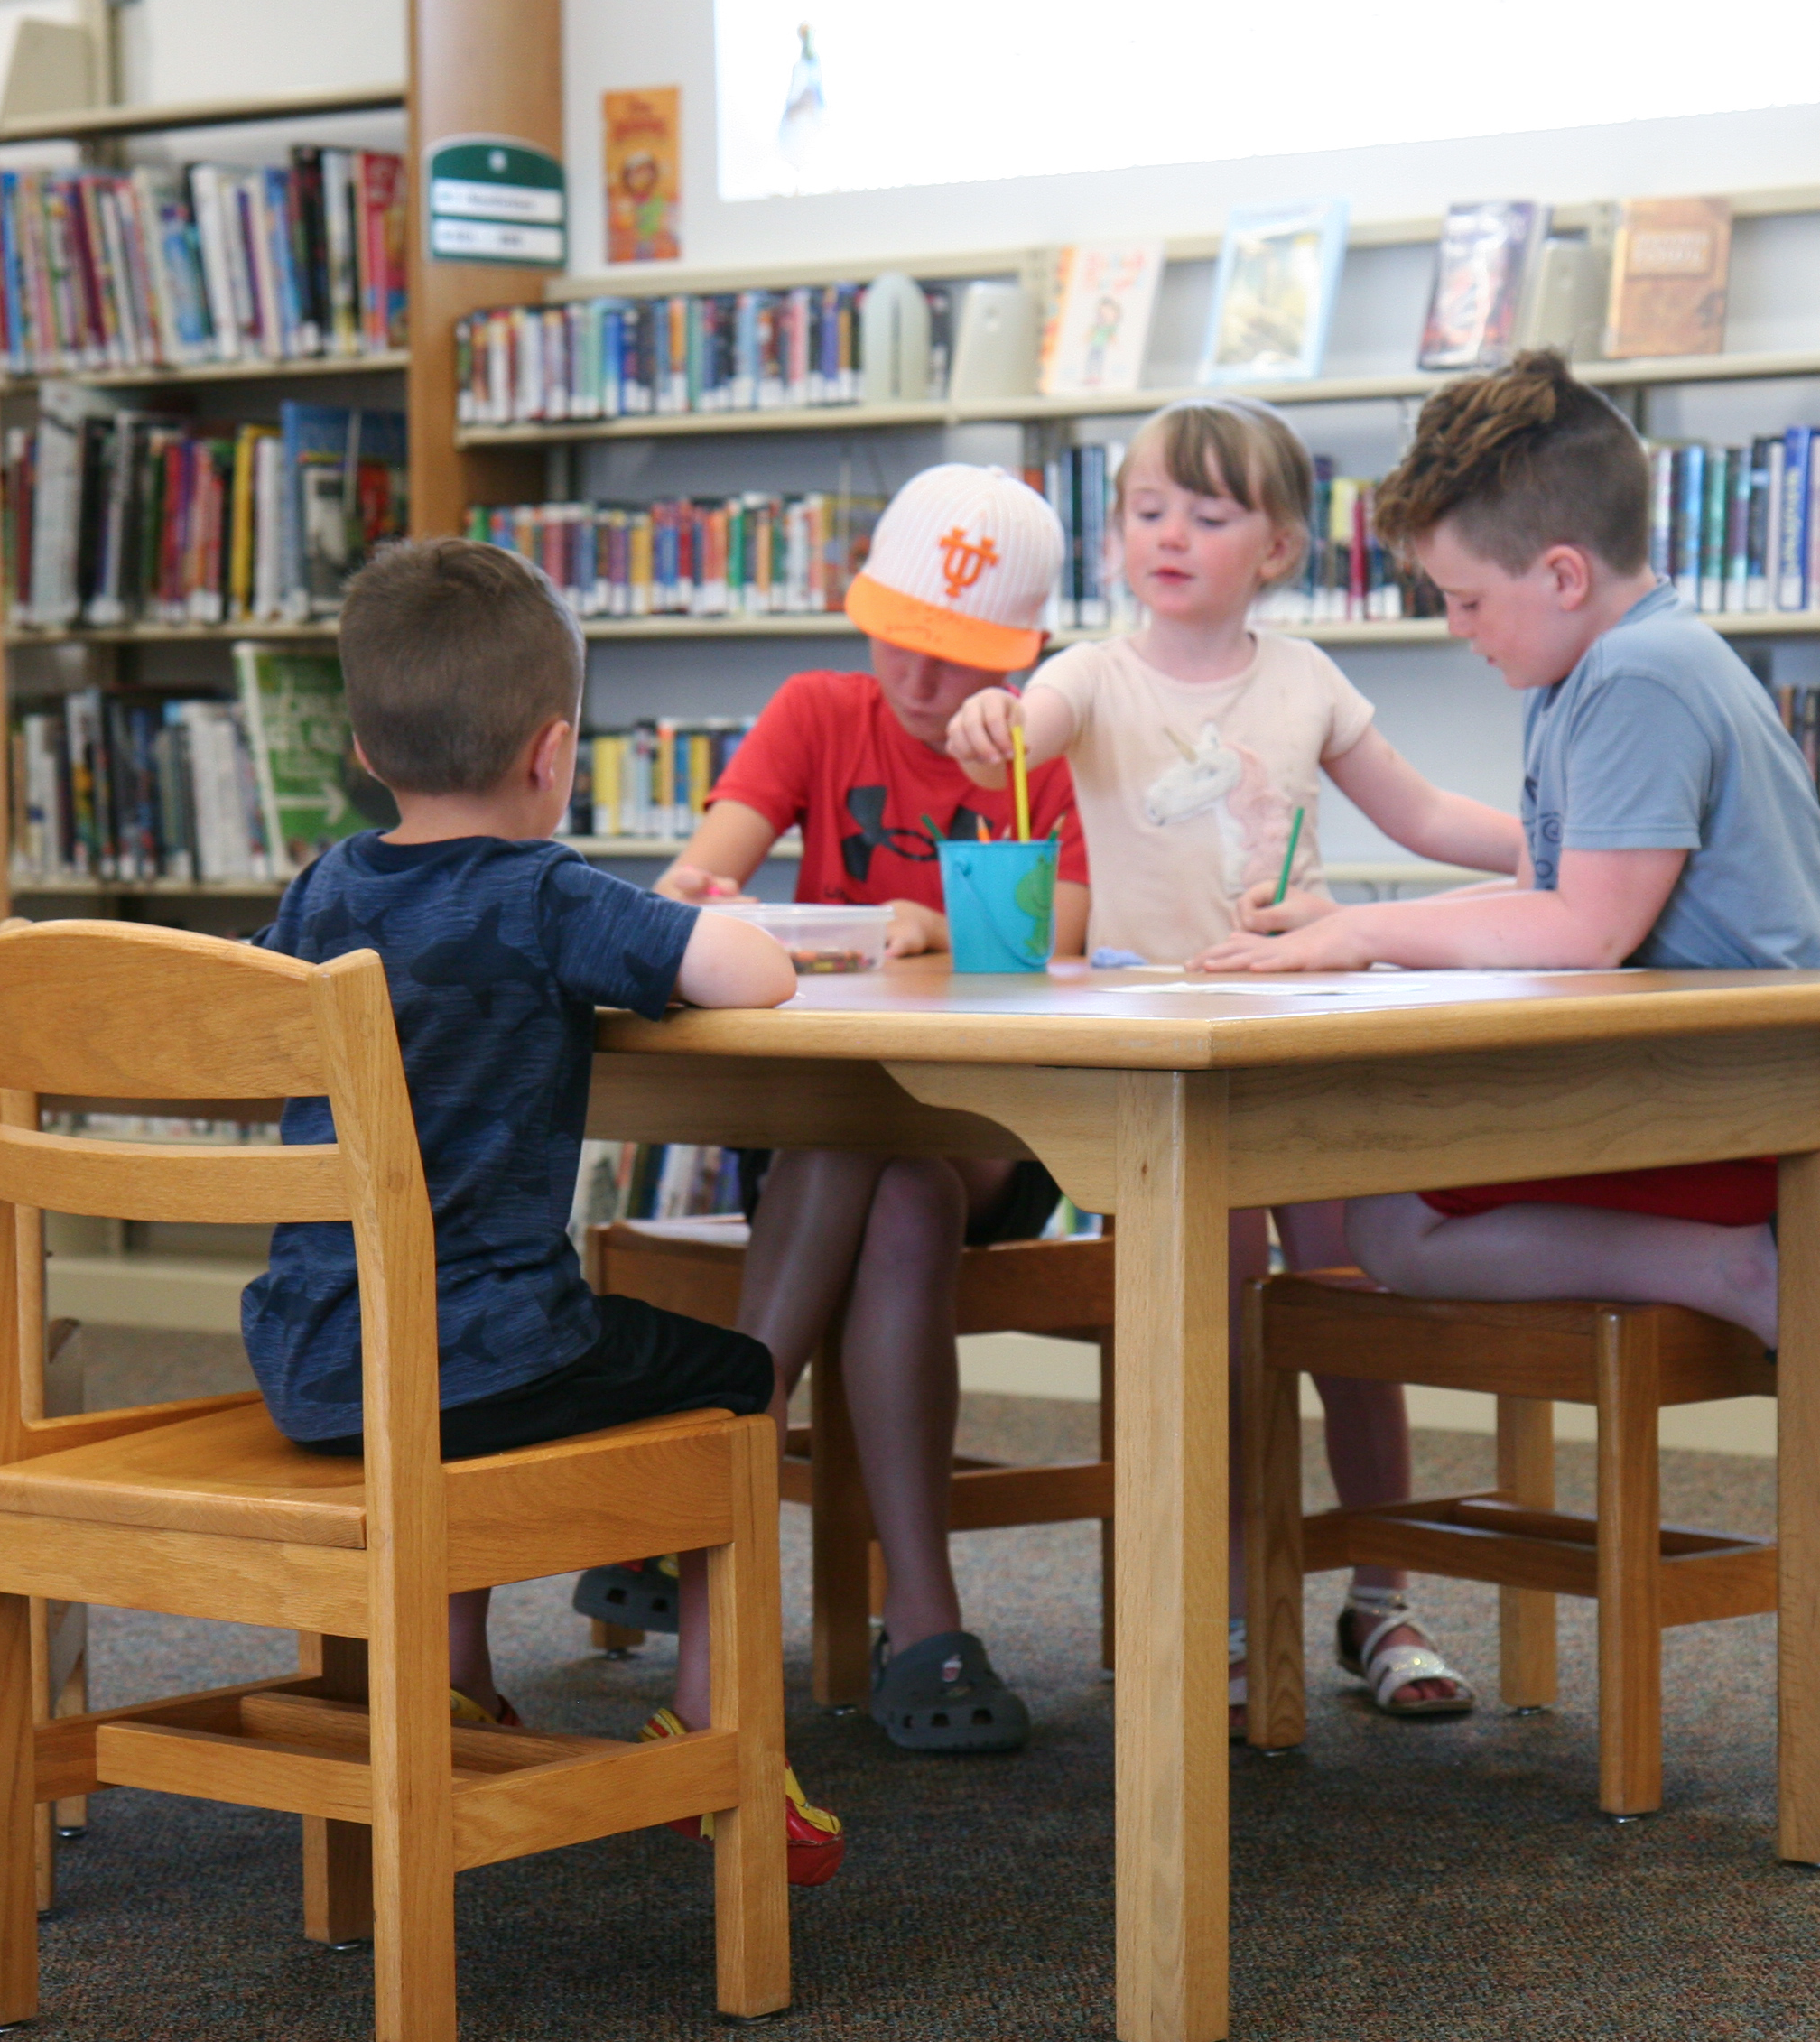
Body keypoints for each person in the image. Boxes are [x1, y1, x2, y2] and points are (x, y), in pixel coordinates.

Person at [241, 534, 844, 1887]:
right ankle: (716, 1723)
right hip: (480, 1359)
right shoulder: (544, 895)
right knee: (735, 1377)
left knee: (459, 1373)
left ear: (362, 742)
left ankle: (457, 1686)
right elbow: (748, 974)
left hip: (314, 1358)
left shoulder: (323, 891)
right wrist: (726, 917)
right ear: (554, 751)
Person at [942, 395, 1533, 1729]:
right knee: (1198, 1336)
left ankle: (1383, 1597)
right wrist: (990, 728)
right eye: (1149, 509)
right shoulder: (1094, 673)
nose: (1170, 534)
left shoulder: (1307, 678)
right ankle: (1209, 1609)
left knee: (1347, 1313)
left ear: (1275, 546)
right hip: (1164, 1059)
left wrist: (1558, 846)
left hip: (1303, 1040)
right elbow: (1019, 731)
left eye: (1209, 515)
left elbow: (1424, 811)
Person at [1191, 351, 1820, 1360]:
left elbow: (1583, 932)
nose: (1457, 627)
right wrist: (1346, 928)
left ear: (1562, 574)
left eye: (1465, 599)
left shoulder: (1641, 675)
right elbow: (1549, 897)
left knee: (1384, 1213)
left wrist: (1369, 929)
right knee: (1371, 1194)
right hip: (1723, 1085)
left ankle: (1743, 1268)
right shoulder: (1590, 666)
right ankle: (1732, 1263)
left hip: (1772, 1113)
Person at [587, 463, 1089, 1756]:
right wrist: (702, 886)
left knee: (903, 1164)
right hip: (837, 1120)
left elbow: (1072, 928)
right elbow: (706, 868)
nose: (920, 683)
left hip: (989, 1122)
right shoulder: (817, 709)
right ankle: (923, 1616)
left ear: (1019, 654)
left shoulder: (1042, 748)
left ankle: (705, 1503)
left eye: (957, 656)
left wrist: (933, 930)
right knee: (889, 1182)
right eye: (899, 642)